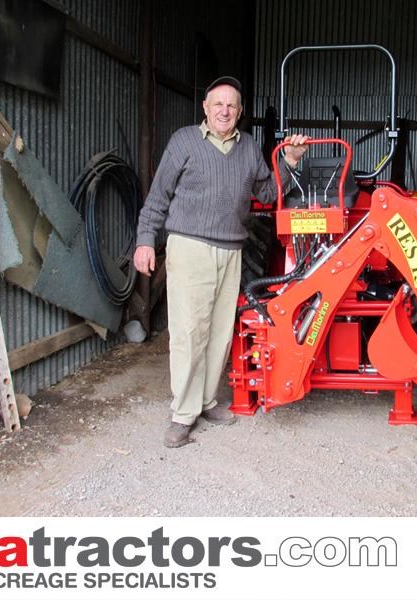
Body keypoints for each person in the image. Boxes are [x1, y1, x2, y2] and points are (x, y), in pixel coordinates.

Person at [134, 75, 309, 448]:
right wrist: (145, 240)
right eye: (218, 104)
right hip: (190, 247)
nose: (224, 111)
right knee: (188, 332)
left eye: (231, 105)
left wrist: (290, 162)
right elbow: (159, 194)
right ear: (205, 108)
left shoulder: (247, 148)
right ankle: (183, 414)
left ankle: (206, 401)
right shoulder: (184, 141)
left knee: (218, 334)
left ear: (240, 112)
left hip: (231, 251)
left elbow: (267, 191)